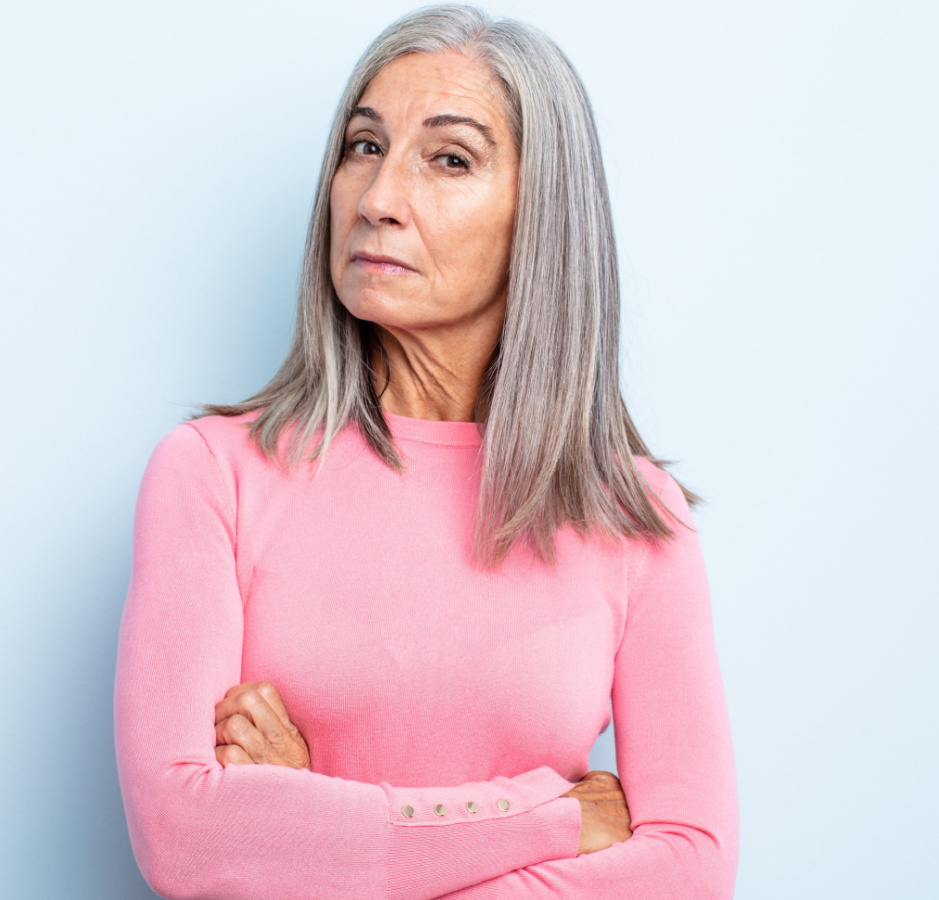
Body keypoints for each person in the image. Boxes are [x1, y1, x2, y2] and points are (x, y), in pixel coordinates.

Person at [112, 5, 737, 898]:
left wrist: (310, 814)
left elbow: (690, 869)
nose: (377, 199)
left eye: (449, 159)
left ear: (541, 216)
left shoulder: (633, 518)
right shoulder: (214, 474)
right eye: (363, 147)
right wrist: (553, 818)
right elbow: (184, 837)